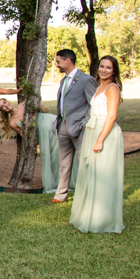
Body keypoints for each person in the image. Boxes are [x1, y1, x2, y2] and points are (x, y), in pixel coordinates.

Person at [70, 56, 125, 233]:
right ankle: (89, 214)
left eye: (108, 68)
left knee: (102, 175)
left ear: (114, 71)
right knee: (91, 172)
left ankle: (102, 218)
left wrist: (100, 139)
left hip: (104, 132)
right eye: (102, 66)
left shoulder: (112, 88)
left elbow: (112, 116)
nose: (104, 70)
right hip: (93, 129)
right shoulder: (98, 86)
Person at [0, 98, 74, 193]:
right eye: (2, 107)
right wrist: (38, 145)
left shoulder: (24, 104)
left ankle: (74, 178)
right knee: (54, 157)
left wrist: (38, 107)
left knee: (68, 148)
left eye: (4, 102)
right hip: (43, 135)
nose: (5, 106)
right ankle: (62, 182)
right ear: (2, 111)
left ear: (7, 101)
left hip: (51, 122)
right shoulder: (12, 122)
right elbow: (26, 136)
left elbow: (46, 110)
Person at [51, 49, 96, 204]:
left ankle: (88, 194)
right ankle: (60, 195)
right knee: (63, 163)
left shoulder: (86, 80)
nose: (57, 65)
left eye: (58, 62)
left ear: (68, 60)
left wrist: (85, 123)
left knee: (84, 162)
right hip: (62, 126)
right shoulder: (63, 81)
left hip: (79, 128)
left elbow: (94, 104)